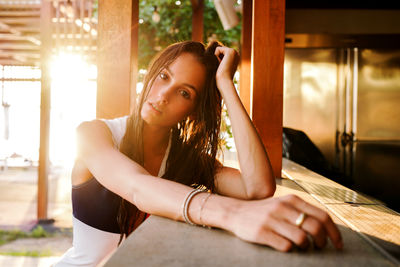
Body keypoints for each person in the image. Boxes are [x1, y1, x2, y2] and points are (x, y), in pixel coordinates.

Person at [55, 41, 342, 266]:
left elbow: (257, 188)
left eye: (185, 93)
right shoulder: (93, 134)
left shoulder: (188, 161)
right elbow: (137, 186)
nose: (164, 94)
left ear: (193, 112)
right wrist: (233, 214)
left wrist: (226, 85)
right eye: (164, 76)